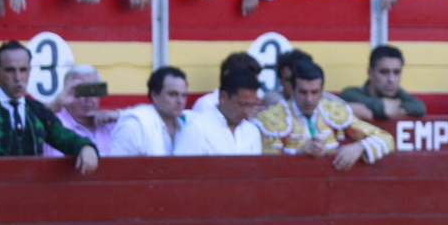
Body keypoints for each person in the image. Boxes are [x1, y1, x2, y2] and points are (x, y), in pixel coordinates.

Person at [0, 40, 98, 170]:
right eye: (10, 70)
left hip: (28, 194)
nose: (18, 77)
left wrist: (86, 147)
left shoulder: (37, 112)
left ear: (30, 71)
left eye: (23, 70)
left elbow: (65, 138)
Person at [257, 58, 393, 169]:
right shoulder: (273, 118)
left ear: (322, 90)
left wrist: (359, 147)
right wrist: (299, 154)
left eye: (315, 92)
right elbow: (268, 167)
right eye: (303, 92)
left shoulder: (333, 112)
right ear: (292, 89)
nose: (309, 99)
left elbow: (386, 139)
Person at [174, 67, 266, 155]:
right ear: (223, 97)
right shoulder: (197, 129)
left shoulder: (252, 132)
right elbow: (179, 168)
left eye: (251, 105)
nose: (247, 111)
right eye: (242, 104)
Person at [110, 65, 189, 156]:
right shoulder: (135, 125)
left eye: (184, 95)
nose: (180, 101)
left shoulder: (189, 121)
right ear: (154, 95)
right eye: (173, 94)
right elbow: (117, 166)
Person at [41, 64, 116, 155]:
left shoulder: (111, 125)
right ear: (67, 92)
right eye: (81, 91)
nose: (87, 98)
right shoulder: (53, 123)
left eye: (93, 91)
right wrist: (56, 104)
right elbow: (29, 122)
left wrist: (120, 115)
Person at [340, 44, 428, 122]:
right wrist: (383, 107)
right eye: (384, 72)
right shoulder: (351, 94)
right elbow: (346, 95)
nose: (391, 79)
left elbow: (419, 106)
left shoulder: (399, 94)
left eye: (396, 72)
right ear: (370, 73)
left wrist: (393, 110)